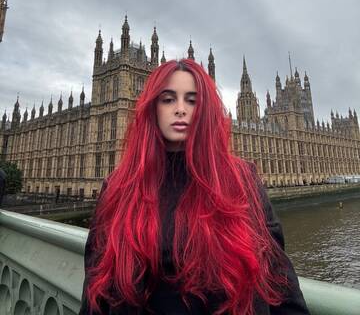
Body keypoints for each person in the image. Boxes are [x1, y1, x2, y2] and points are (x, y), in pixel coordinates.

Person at [79, 59, 309, 315]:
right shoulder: (118, 188)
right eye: (168, 99)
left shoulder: (243, 181)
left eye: (192, 100)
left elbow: (280, 284)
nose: (180, 109)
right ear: (150, 107)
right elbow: (96, 294)